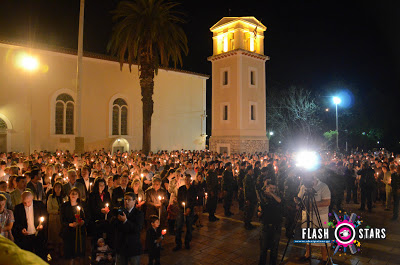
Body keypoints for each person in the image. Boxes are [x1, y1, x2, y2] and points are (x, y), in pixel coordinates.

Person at [297, 174, 331, 263]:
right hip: (306, 214)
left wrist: (312, 205)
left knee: (322, 237)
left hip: (320, 215)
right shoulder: (304, 186)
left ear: (314, 178)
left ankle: (325, 258)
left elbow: (327, 202)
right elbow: (300, 197)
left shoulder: (323, 186)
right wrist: (297, 201)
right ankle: (307, 254)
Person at [12, 191, 48, 260]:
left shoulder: (39, 205)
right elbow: (17, 223)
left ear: (32, 198)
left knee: (40, 255)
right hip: (25, 237)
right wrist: (21, 229)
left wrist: (42, 225)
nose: (27, 204)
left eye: (28, 202)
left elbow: (45, 216)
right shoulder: (18, 208)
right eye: (24, 202)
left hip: (38, 235)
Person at [113, 192, 144, 265]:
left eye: (129, 199)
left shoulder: (139, 214)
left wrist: (125, 221)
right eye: (125, 199)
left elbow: (137, 228)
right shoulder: (120, 212)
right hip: (121, 246)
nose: (126, 201)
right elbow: (115, 226)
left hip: (133, 247)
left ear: (134, 201)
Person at [60, 187, 86, 265]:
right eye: (72, 193)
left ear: (78, 196)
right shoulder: (64, 206)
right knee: (69, 254)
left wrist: (82, 222)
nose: (74, 195)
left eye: (76, 194)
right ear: (69, 195)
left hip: (79, 234)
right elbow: (62, 220)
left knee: (78, 255)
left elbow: (86, 217)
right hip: (68, 232)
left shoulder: (82, 206)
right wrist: (70, 224)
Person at [257, 184, 282, 265]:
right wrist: (259, 212)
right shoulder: (262, 198)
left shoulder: (278, 197)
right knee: (263, 249)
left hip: (276, 227)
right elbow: (258, 213)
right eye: (270, 188)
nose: (272, 190)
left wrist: (271, 194)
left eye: (274, 188)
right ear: (266, 188)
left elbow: (280, 201)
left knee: (274, 250)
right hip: (265, 226)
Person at [173, 174, 196, 251]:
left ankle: (187, 243)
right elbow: (179, 200)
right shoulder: (181, 189)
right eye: (185, 179)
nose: (186, 181)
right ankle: (178, 243)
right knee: (179, 227)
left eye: (188, 180)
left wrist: (189, 208)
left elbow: (194, 200)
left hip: (190, 210)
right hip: (181, 210)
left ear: (190, 181)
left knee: (189, 227)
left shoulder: (193, 189)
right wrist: (183, 209)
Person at [88, 178, 111, 254]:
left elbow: (109, 204)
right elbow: (91, 207)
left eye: (103, 185)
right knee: (97, 236)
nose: (102, 187)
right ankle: (96, 252)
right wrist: (100, 210)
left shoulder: (106, 194)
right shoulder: (92, 195)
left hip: (105, 219)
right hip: (96, 219)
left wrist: (107, 209)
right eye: (100, 185)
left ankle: (105, 252)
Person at [46, 182, 65, 257]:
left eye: (59, 187)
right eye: (56, 187)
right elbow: (49, 209)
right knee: (55, 234)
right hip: (54, 218)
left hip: (61, 218)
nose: (58, 189)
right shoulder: (51, 197)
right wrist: (57, 212)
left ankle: (61, 249)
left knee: (61, 234)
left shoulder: (64, 197)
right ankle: (56, 250)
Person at [244, 165, 257, 230]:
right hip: (249, 197)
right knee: (248, 211)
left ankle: (249, 223)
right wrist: (247, 199)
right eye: (252, 170)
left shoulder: (251, 177)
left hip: (252, 196)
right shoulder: (247, 178)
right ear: (249, 170)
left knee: (251, 211)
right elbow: (246, 189)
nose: (253, 171)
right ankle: (247, 224)